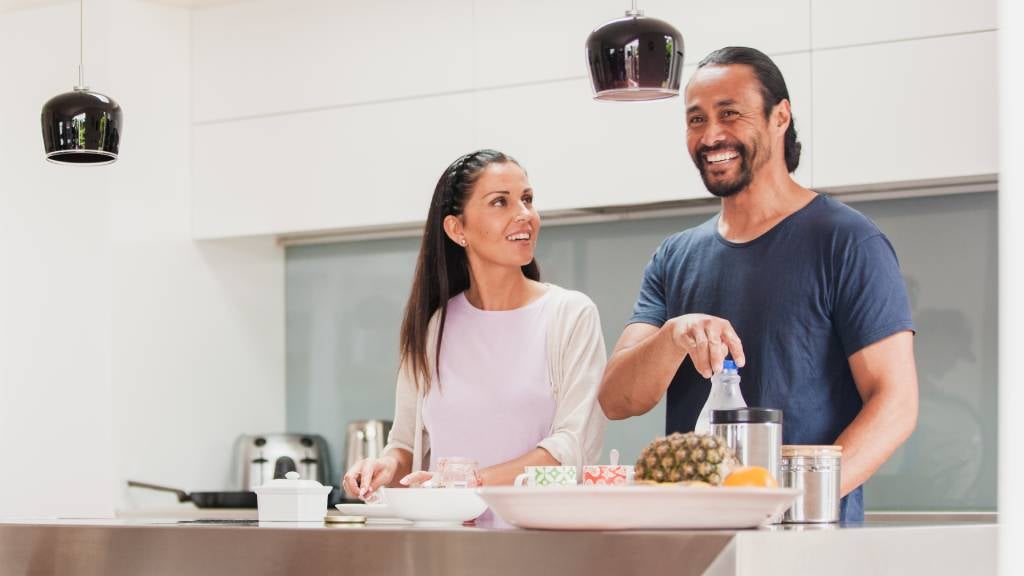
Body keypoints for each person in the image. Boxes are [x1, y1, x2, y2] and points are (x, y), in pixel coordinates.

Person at [597, 47, 918, 521]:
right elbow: (617, 399)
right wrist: (675, 334)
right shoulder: (674, 256)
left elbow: (895, 403)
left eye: (730, 114)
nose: (711, 135)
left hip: (808, 547)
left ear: (779, 116)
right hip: (693, 542)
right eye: (696, 120)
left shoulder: (847, 241)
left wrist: (794, 504)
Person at [343, 149, 607, 500]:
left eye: (527, 199)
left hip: (538, 542)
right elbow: (407, 444)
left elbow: (571, 450)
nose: (524, 215)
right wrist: (386, 466)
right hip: (446, 542)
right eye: (501, 202)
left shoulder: (570, 316)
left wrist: (470, 482)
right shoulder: (431, 328)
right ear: (456, 228)